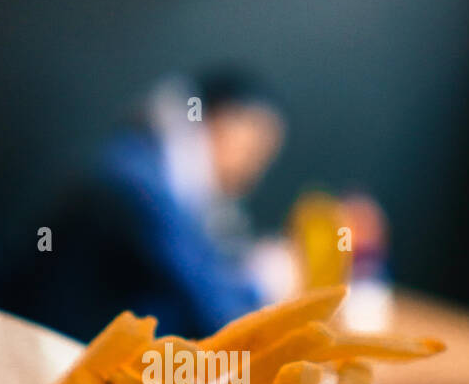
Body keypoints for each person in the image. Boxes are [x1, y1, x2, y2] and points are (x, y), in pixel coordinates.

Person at [16, 71, 289, 342]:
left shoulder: (165, 181)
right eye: (257, 147)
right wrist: (261, 282)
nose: (258, 167)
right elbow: (214, 310)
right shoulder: (138, 179)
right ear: (225, 120)